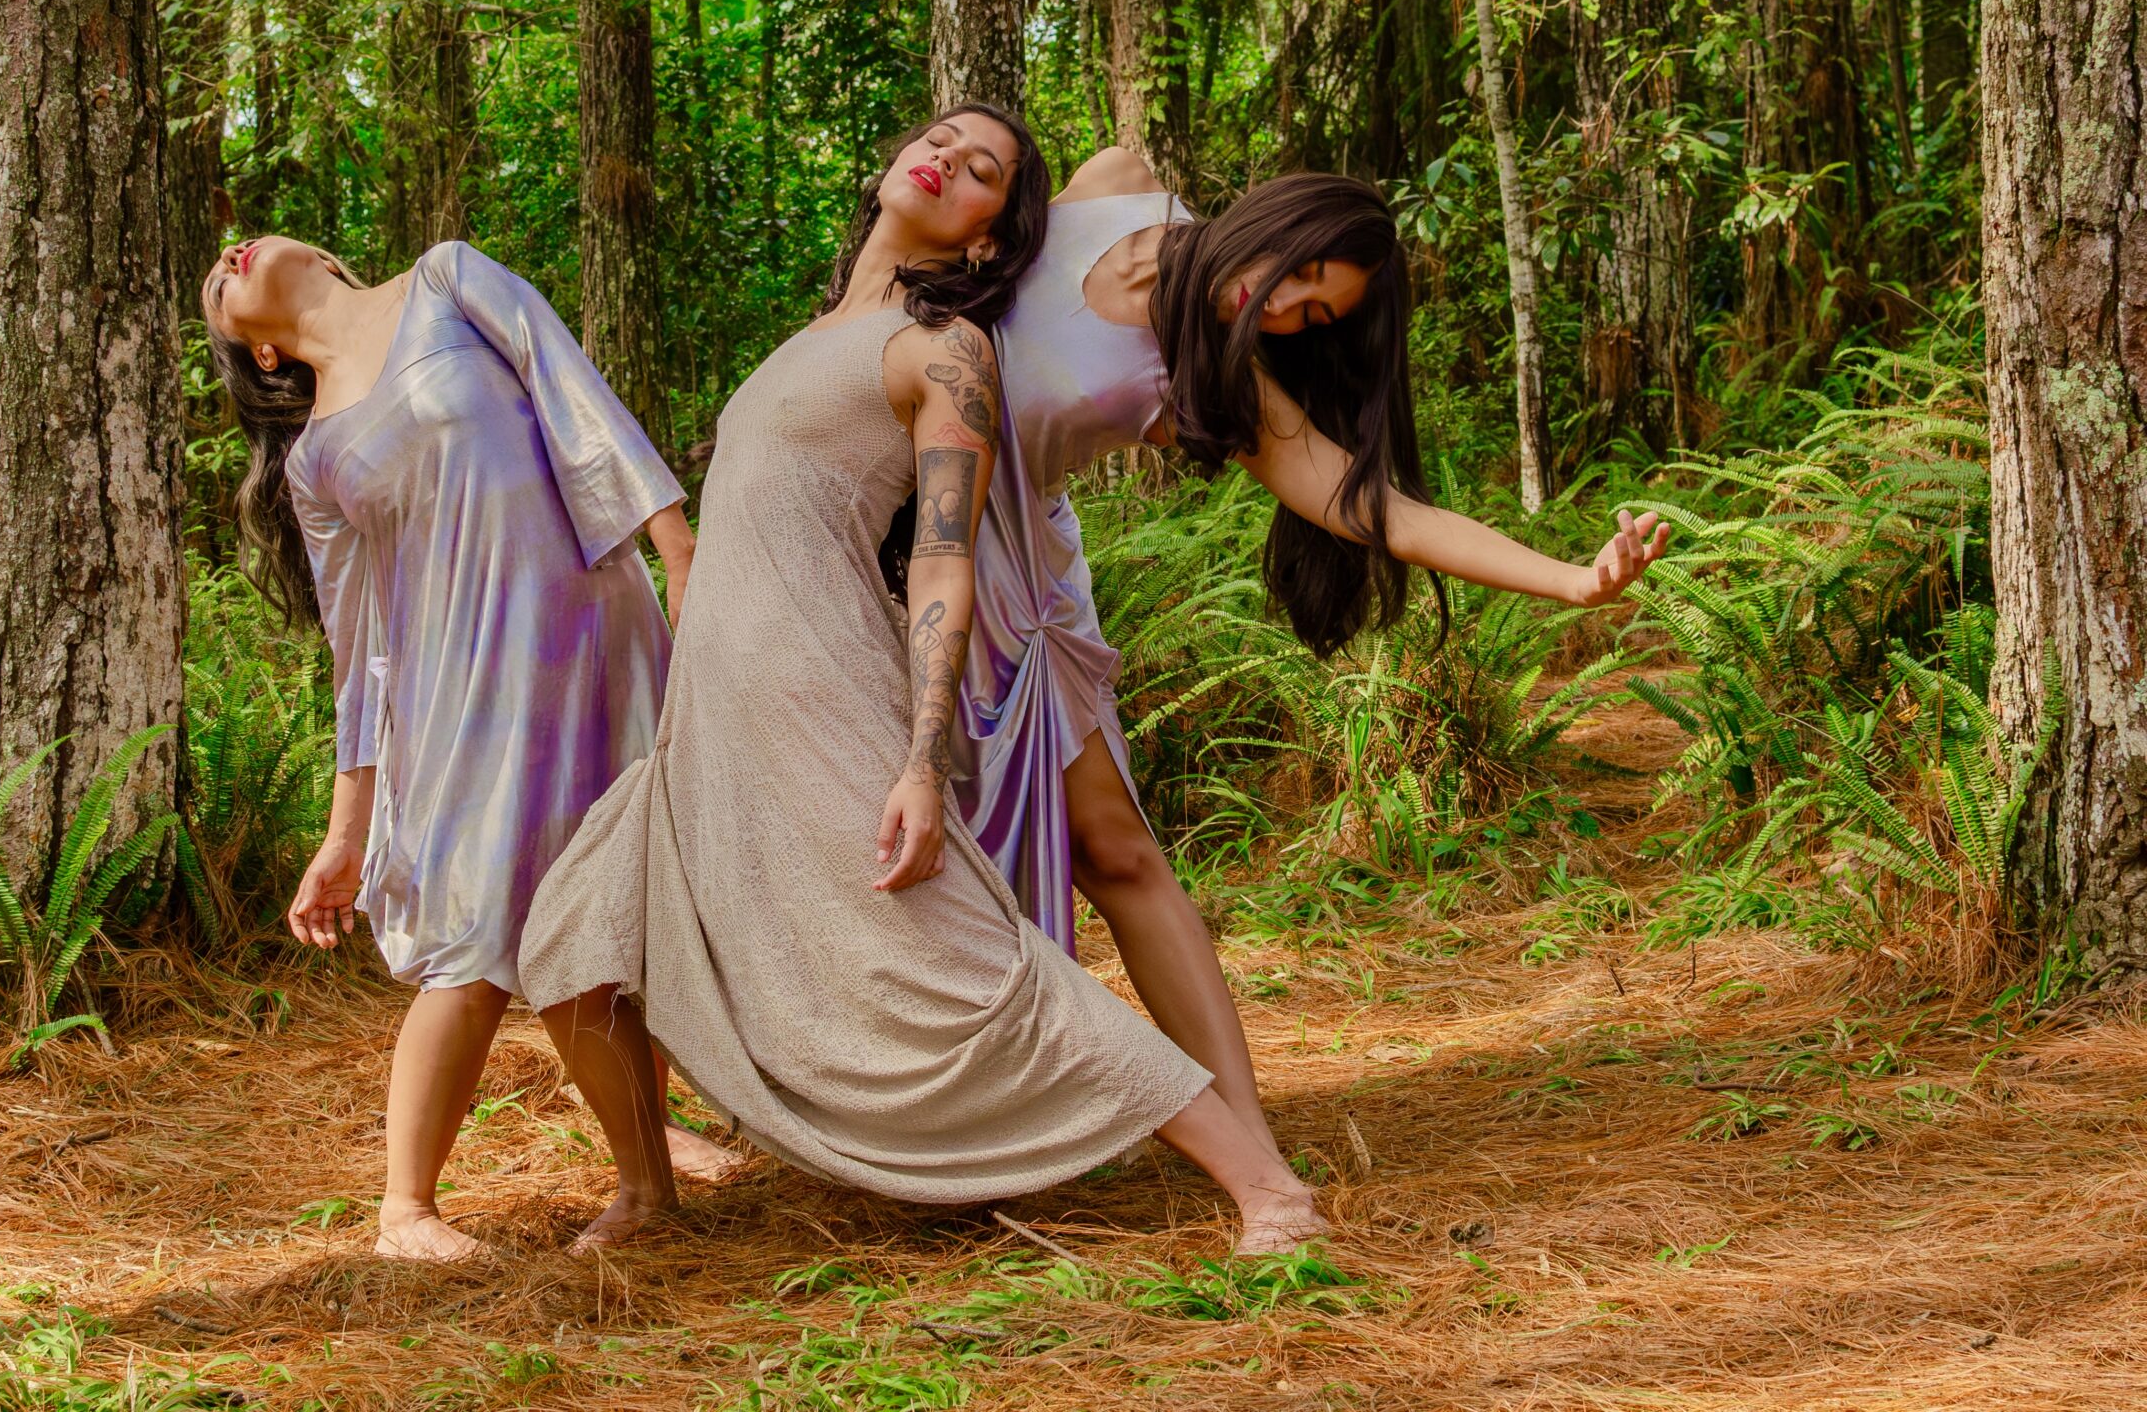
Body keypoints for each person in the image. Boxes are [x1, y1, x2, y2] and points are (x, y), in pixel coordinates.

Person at [519, 105, 1330, 1255]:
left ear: (989, 237)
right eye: (942, 139)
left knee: (961, 972)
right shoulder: (817, 334)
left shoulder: (941, 348)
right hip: (709, 713)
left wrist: (919, 759)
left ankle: (1266, 1187)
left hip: (820, 688)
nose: (947, 157)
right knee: (573, 938)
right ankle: (648, 1192)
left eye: (982, 168)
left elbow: (945, 555)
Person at [958, 148, 1673, 1153]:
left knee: (1115, 850)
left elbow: (1374, 507)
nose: (1284, 307)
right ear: (1278, 218)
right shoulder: (1115, 182)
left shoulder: (1205, 371)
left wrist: (1570, 580)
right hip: (886, 532)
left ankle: (1244, 1138)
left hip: (1015, 588)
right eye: (1298, 273)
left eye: (1312, 315)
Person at [203, 233, 725, 1262]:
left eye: (235, 251)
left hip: (596, 633)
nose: (231, 254)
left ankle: (647, 1174)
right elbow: (360, 653)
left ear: (322, 255)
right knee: (481, 926)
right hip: (466, 693)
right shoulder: (314, 461)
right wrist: (345, 834)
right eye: (217, 283)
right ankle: (406, 1212)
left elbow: (570, 389)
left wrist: (676, 543)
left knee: (605, 909)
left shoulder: (444, 278)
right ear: (260, 352)